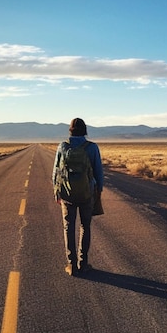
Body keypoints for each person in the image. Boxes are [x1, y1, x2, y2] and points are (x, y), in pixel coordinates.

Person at [52, 117, 104, 276]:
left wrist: (57, 191)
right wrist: (98, 191)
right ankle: (83, 262)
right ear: (85, 130)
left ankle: (71, 265)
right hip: (87, 193)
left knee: (69, 227)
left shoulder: (62, 146)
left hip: (67, 194)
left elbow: (56, 172)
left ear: (70, 130)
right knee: (85, 227)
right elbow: (98, 172)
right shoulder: (92, 147)